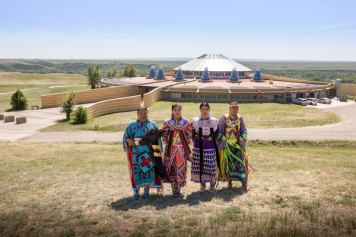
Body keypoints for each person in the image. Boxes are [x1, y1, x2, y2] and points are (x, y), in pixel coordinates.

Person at [123, 105, 162, 200]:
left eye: (145, 113)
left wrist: (158, 151)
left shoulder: (152, 124)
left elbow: (158, 138)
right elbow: (126, 137)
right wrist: (129, 141)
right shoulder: (132, 126)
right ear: (137, 114)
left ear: (147, 114)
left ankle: (146, 191)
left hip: (149, 153)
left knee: (148, 171)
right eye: (141, 113)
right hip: (136, 153)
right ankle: (136, 192)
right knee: (136, 172)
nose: (143, 115)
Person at [217, 101, 249, 191]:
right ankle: (229, 182)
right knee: (228, 164)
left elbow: (244, 131)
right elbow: (219, 131)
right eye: (233, 108)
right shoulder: (224, 118)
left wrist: (243, 138)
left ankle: (244, 183)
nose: (234, 110)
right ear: (229, 109)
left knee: (241, 164)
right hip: (227, 146)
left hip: (238, 146)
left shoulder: (240, 119)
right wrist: (222, 139)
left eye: (236, 108)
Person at [161, 104, 192, 196]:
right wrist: (168, 142)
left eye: (179, 110)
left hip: (181, 149)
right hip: (170, 149)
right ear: (172, 111)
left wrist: (186, 140)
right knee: (171, 168)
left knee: (180, 167)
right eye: (175, 110)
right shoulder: (167, 122)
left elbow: (189, 134)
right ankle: (173, 188)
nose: (177, 111)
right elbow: (163, 134)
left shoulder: (186, 122)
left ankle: (178, 188)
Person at [191, 102, 219, 191]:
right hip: (199, 146)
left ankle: (212, 184)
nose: (204, 111)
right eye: (202, 109)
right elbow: (192, 134)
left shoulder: (214, 121)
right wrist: (196, 140)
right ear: (200, 110)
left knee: (211, 165)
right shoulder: (195, 121)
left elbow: (217, 134)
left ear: (209, 110)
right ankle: (202, 184)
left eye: (206, 109)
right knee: (200, 165)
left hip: (210, 146)